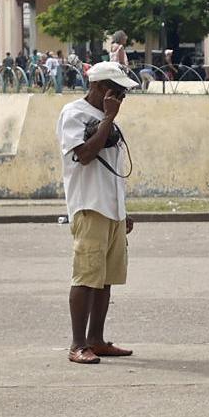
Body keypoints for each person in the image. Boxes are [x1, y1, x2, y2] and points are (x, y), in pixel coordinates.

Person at [58, 60, 139, 365]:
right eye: (117, 91)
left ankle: (97, 339)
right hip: (89, 206)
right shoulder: (74, 114)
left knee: (105, 279)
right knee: (86, 276)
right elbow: (85, 155)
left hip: (111, 208)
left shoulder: (108, 117)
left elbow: (114, 171)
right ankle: (78, 343)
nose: (121, 98)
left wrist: (123, 210)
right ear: (99, 88)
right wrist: (108, 117)